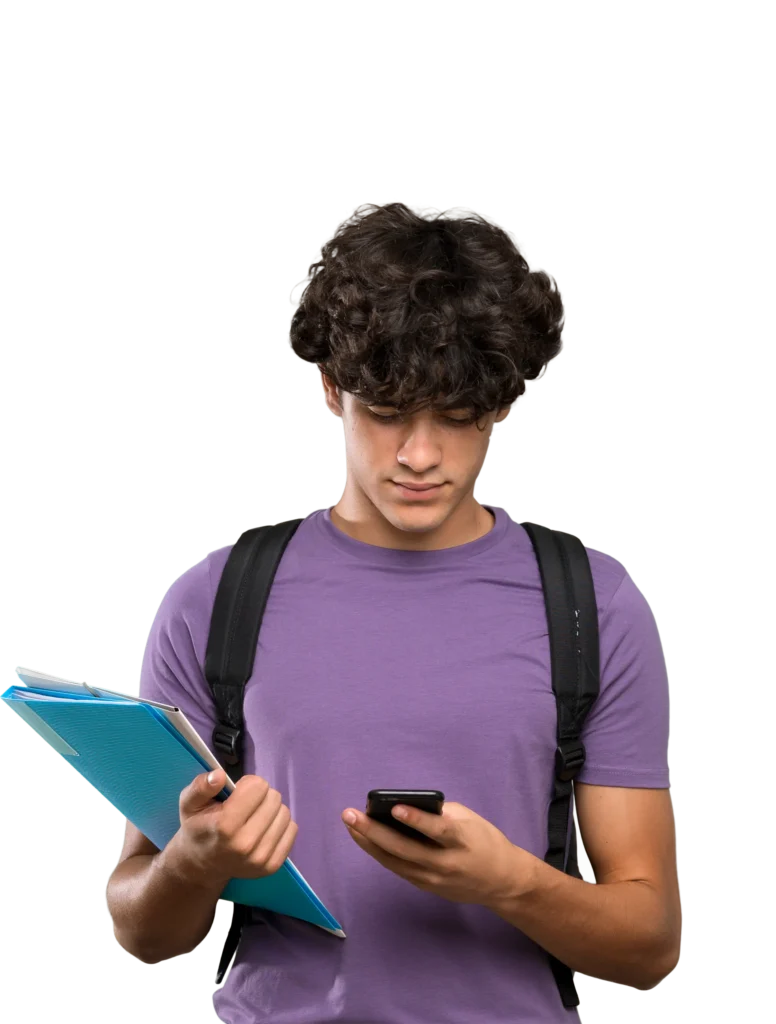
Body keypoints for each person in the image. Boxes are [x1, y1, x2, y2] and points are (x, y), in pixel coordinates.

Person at [110, 201, 680, 1022]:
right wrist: (193, 864)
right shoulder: (215, 598)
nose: (420, 455)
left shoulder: (594, 606)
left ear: (505, 401)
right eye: (385, 413)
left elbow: (652, 943)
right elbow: (141, 929)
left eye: (456, 419)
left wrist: (511, 882)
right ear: (331, 389)